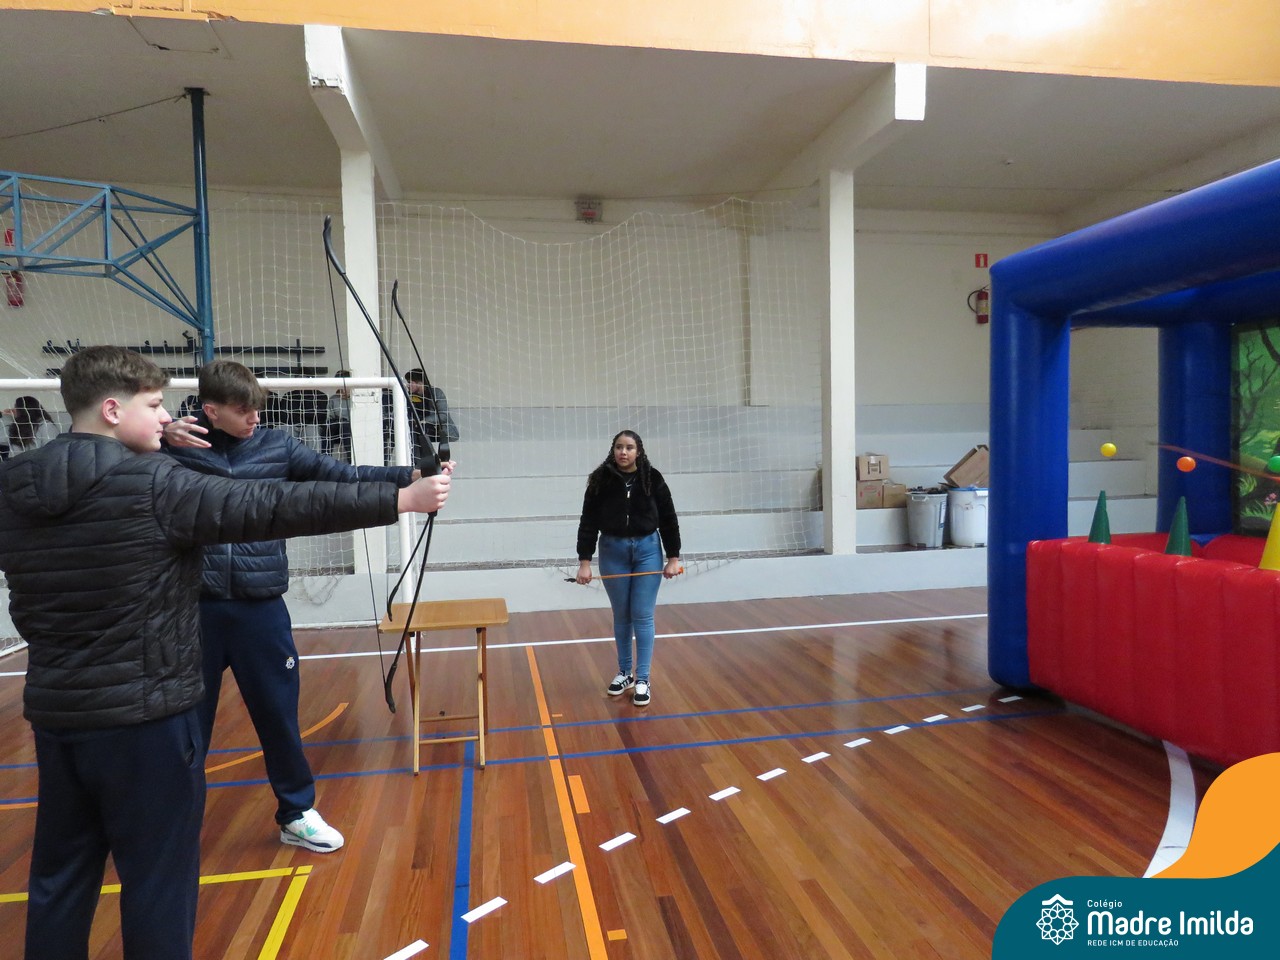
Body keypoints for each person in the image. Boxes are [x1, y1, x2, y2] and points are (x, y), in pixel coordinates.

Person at [0, 346, 450, 960]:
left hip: (57, 716)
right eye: (154, 406)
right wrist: (402, 500)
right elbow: (272, 505)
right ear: (111, 409)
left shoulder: (15, 483)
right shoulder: (157, 482)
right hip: (145, 720)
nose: (166, 417)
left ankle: (296, 808)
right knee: (156, 880)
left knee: (59, 877)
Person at [163, 360, 436, 855]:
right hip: (194, 608)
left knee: (279, 717)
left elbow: (344, 476)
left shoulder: (276, 445)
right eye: (243, 411)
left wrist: (412, 476)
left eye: (257, 409)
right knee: (185, 726)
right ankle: (172, 828)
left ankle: (295, 812)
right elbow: (113, 457)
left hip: (260, 608)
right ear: (211, 410)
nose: (254, 419)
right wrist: (161, 434)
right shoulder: (174, 447)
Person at [575, 430, 681, 707]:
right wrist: (584, 561)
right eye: (619, 447)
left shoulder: (653, 478)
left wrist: (673, 557)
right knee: (622, 615)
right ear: (613, 450)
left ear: (638, 451)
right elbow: (588, 522)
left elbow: (669, 518)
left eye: (629, 447)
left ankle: (643, 678)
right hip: (613, 552)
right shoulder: (599, 480)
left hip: (648, 551)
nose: (623, 452)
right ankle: (625, 673)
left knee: (642, 614)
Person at [322, 370, 353, 460]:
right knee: (329, 427)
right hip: (336, 429)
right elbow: (330, 417)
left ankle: (351, 459)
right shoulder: (333, 399)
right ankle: (326, 460)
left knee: (345, 426)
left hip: (350, 428)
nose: (343, 389)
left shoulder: (355, 399)